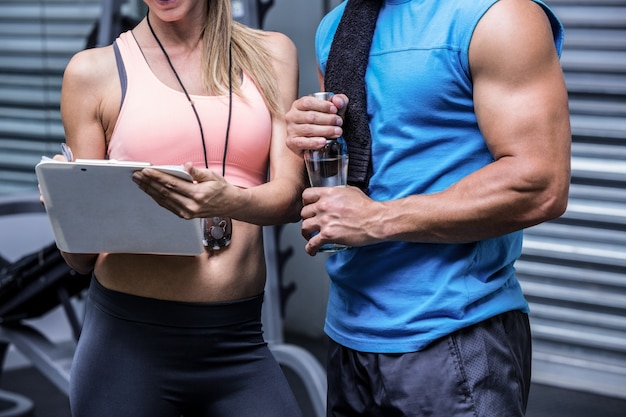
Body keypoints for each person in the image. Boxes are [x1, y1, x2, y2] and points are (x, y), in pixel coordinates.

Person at [286, 0, 571, 416]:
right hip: (348, 336)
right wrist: (303, 137)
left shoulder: (498, 14)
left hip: (453, 333)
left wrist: (377, 218)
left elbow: (541, 183)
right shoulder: (336, 26)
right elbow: (354, 175)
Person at [52, 0, 306, 415]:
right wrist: (65, 209)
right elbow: (79, 258)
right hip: (127, 343)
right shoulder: (92, 72)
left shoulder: (272, 53)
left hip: (238, 340)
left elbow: (289, 197)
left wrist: (234, 200)